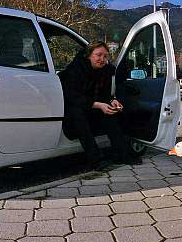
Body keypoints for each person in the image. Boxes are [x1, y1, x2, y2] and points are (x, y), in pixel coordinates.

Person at [60, 41, 141, 170]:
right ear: (89, 55)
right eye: (98, 55)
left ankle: (122, 154)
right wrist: (98, 104)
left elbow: (104, 95)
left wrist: (112, 101)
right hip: (73, 109)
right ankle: (95, 159)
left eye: (105, 56)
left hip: (92, 108)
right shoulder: (75, 69)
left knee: (112, 112)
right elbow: (72, 96)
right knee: (77, 113)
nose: (102, 59)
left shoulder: (107, 71)